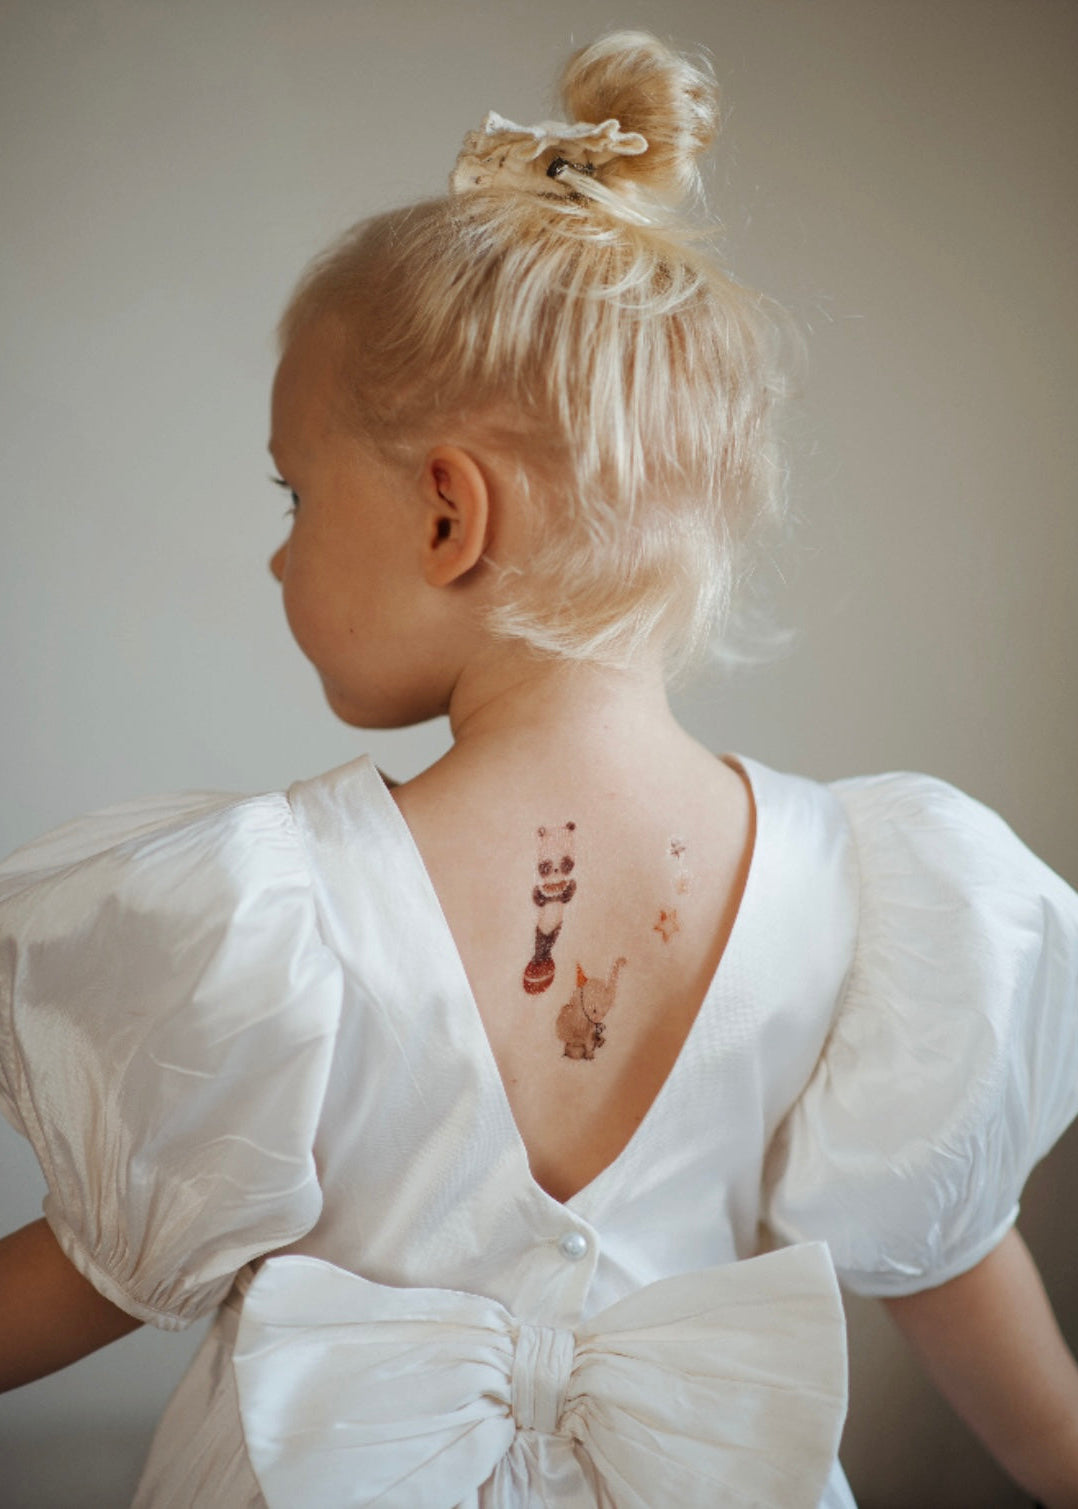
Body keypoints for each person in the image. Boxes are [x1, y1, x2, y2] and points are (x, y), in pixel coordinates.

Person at [0, 28, 1076, 1509]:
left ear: (449, 516)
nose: (279, 554)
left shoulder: (271, 916)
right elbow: (965, 1290)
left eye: (295, 494)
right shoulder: (874, 899)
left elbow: (89, 1280)